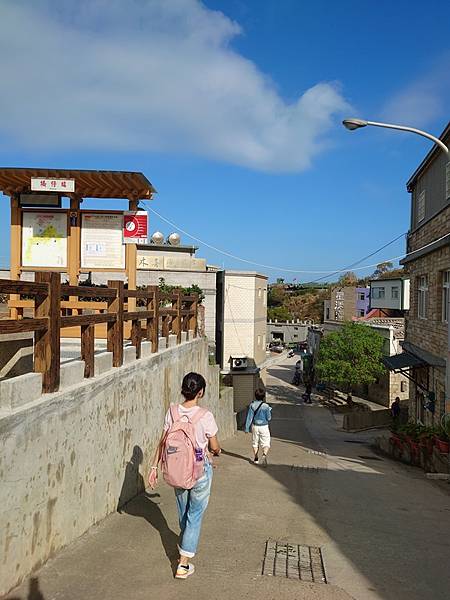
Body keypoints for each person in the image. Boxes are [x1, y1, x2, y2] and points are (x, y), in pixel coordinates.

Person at [149, 372, 221, 580]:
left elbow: (163, 441)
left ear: (183, 389)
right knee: (195, 515)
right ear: (201, 392)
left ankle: (185, 543)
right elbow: (214, 446)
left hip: (177, 470)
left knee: (184, 513)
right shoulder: (205, 415)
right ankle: (183, 564)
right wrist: (216, 450)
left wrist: (154, 468)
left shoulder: (171, 412)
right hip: (200, 471)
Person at [244, 388, 272, 466]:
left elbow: (249, 417)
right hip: (264, 426)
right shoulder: (266, 406)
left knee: (255, 442)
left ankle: (256, 458)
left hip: (255, 426)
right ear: (263, 396)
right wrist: (269, 411)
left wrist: (246, 428)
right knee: (266, 442)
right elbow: (269, 418)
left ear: (255, 396)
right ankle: (264, 455)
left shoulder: (252, 405)